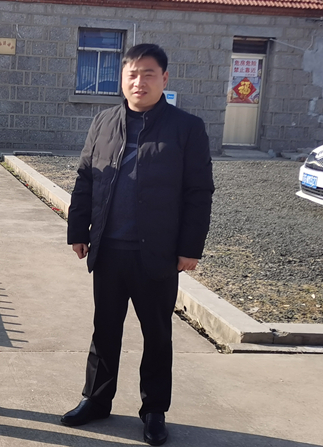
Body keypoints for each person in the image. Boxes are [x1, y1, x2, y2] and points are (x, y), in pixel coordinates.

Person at [62, 44, 214, 446]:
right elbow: (85, 177)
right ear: (122, 79)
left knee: (157, 335)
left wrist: (190, 247)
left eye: (148, 74)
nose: (139, 82)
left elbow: (199, 192)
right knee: (105, 330)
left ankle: (154, 411)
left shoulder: (186, 128)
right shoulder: (104, 122)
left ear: (165, 78)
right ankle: (96, 400)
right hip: (109, 249)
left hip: (157, 252)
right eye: (131, 74)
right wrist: (78, 230)